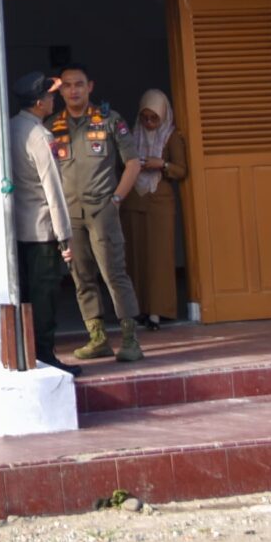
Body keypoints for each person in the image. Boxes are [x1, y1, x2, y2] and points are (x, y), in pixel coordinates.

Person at [46, 66, 147, 363]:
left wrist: (116, 199)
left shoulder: (110, 121)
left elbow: (133, 163)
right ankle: (97, 338)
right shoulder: (52, 126)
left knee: (114, 274)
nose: (73, 90)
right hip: (70, 214)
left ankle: (130, 339)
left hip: (102, 210)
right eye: (67, 86)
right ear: (61, 90)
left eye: (79, 85)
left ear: (90, 86)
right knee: (81, 276)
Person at [8, 73, 77, 372]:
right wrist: (64, 235)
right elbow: (53, 189)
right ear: (39, 103)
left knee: (26, 294)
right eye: (50, 95)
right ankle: (45, 355)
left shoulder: (10, 127)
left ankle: (29, 352)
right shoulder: (40, 136)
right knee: (45, 296)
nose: (54, 99)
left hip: (19, 230)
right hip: (41, 230)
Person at [120, 90, 186, 328]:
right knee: (135, 255)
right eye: (145, 117)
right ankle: (136, 310)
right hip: (133, 201)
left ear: (164, 115)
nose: (149, 123)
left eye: (154, 118)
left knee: (159, 257)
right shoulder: (131, 134)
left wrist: (162, 164)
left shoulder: (171, 136)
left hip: (160, 201)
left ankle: (158, 311)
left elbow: (181, 170)